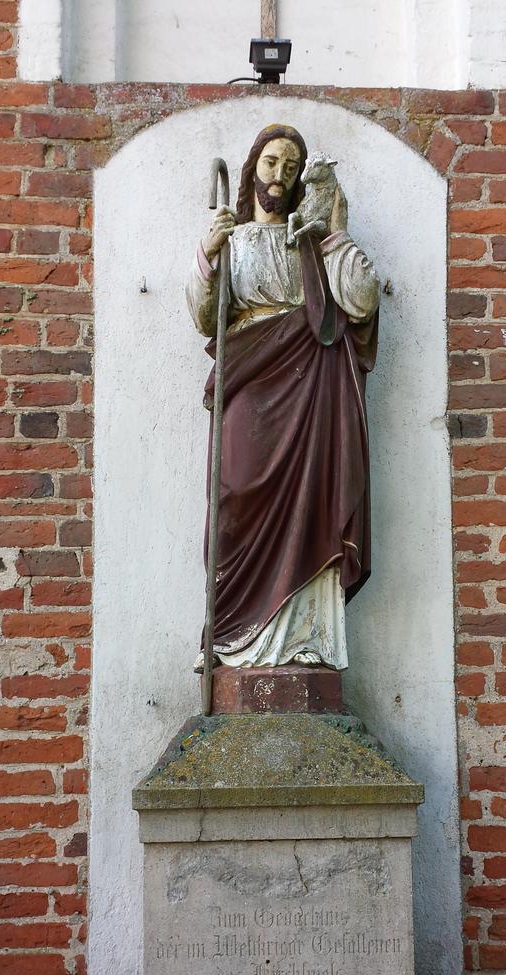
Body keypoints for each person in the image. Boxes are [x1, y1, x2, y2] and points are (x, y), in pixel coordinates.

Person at [186, 124, 379, 672]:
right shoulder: (235, 240)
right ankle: (228, 635)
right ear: (254, 168)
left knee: (312, 501)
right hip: (250, 375)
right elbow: (205, 317)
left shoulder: (309, 241)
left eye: (291, 168)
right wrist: (209, 252)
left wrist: (334, 232)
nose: (280, 176)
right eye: (271, 163)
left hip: (310, 387)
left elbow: (361, 302)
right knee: (234, 492)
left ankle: (306, 639)